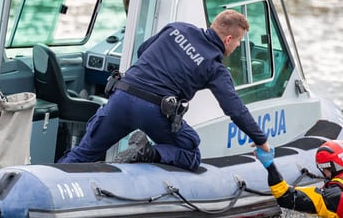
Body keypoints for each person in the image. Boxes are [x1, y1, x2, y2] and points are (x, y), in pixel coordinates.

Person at [58, 10, 272, 171]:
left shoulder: (176, 29)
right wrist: (260, 139)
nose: (236, 47)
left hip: (122, 96)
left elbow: (143, 50)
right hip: (154, 110)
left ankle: (48, 178)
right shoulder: (215, 68)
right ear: (228, 39)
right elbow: (235, 109)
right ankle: (148, 151)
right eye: (239, 41)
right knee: (191, 152)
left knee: (84, 153)